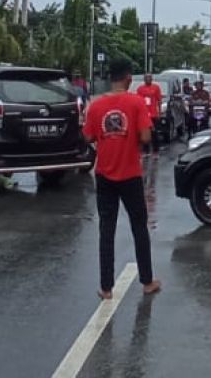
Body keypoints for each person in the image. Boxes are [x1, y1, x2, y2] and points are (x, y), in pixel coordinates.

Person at [82, 58, 161, 300]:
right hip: (130, 175)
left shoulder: (96, 106)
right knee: (139, 227)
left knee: (107, 230)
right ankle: (147, 282)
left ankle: (106, 288)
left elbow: (88, 137)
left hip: (104, 175)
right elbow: (146, 137)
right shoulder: (136, 102)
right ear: (128, 78)